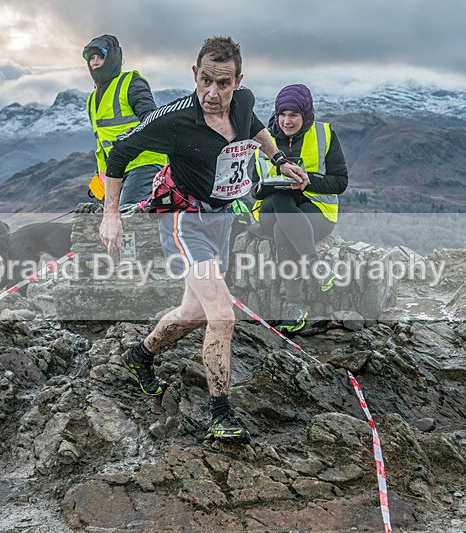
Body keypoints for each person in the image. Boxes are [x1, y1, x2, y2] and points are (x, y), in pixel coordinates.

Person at [99, 36, 307, 443]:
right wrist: (110, 215)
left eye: (223, 84)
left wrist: (280, 159)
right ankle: (220, 414)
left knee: (192, 313)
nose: (212, 93)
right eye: (205, 81)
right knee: (223, 315)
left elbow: (256, 128)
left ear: (238, 81)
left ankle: (139, 356)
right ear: (195, 74)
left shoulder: (244, 102)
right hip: (183, 221)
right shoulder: (173, 119)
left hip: (221, 219)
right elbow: (119, 154)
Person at [251, 84, 349, 333]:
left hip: (315, 213)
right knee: (282, 200)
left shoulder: (325, 134)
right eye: (282, 114)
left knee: (285, 231)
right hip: (270, 212)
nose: (287, 121)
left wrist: (306, 180)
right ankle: (316, 264)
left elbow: (340, 182)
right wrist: (273, 185)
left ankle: (294, 307)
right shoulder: (264, 139)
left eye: (293, 115)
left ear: (305, 114)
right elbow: (254, 188)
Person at [83, 34, 167, 205]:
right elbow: (102, 143)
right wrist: (100, 176)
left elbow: (151, 119)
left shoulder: (130, 82)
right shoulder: (91, 100)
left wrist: (133, 135)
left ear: (113, 58)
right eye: (91, 58)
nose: (95, 62)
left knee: (128, 218)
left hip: (144, 163)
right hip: (116, 171)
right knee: (108, 223)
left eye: (100, 56)